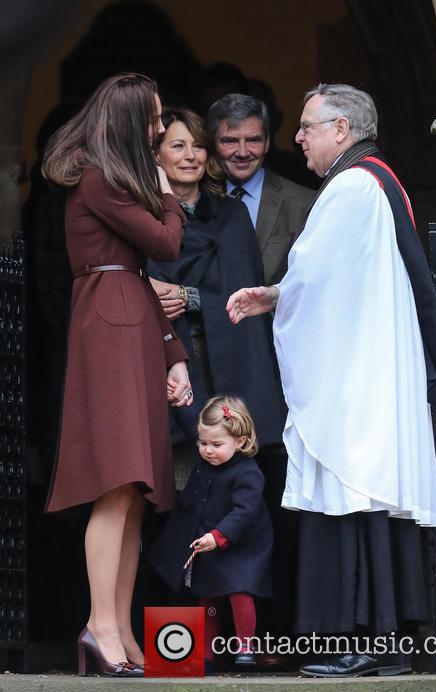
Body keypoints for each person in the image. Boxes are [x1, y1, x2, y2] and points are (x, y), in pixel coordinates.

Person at [227, 83, 436, 677]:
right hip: (371, 374)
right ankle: (391, 644)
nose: (296, 138)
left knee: (352, 492)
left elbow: (314, 278)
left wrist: (276, 296)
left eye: (307, 126)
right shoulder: (377, 181)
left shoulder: (351, 186)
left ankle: (363, 640)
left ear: (342, 131)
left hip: (356, 383)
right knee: (368, 498)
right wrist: (281, 294)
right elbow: (327, 278)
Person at [42, 73, 193, 677]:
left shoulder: (109, 179)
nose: (160, 130)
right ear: (132, 122)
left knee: (133, 490)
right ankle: (99, 625)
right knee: (116, 482)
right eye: (155, 120)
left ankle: (119, 628)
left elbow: (142, 280)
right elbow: (165, 245)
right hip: (110, 328)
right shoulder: (101, 177)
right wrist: (168, 195)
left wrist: (173, 350)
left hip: (125, 320)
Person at [146, 108, 293, 669]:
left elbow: (243, 295)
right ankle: (178, 648)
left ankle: (244, 647)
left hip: (221, 373)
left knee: (236, 510)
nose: (189, 156)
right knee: (174, 507)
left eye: (196, 147)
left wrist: (190, 297)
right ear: (157, 155)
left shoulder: (230, 216)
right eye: (176, 146)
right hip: (164, 372)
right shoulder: (142, 215)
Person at [149, 395, 273, 672]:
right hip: (207, 542)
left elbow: (245, 511)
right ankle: (205, 653)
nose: (207, 450)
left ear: (239, 441)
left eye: (217, 445)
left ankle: (245, 648)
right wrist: (178, 401)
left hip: (241, 546)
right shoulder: (207, 459)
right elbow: (193, 423)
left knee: (240, 592)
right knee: (208, 597)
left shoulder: (248, 472)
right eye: (202, 443)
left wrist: (219, 536)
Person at [207, 93, 315, 285]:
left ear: (267, 143)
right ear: (213, 143)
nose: (242, 152)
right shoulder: (197, 197)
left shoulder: (304, 204)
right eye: (230, 141)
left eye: (253, 140)